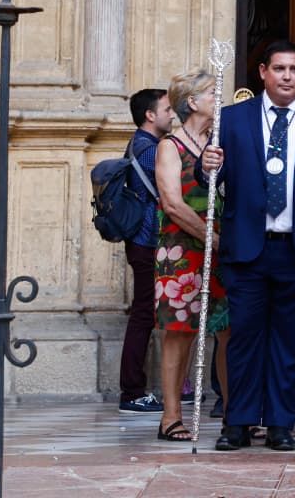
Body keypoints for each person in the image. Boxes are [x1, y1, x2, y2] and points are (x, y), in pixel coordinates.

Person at [205, 40, 295, 453]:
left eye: (294, 69)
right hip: (248, 246)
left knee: (289, 341)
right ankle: (237, 422)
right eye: (279, 69)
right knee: (245, 339)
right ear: (263, 73)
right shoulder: (232, 119)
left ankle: (279, 423)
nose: (287, 76)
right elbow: (212, 179)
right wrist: (208, 167)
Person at [151, 70, 230, 442]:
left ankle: (235, 412)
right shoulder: (171, 145)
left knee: (229, 330)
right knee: (179, 332)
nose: (220, 98)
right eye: (213, 93)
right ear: (192, 102)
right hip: (181, 250)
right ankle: (171, 416)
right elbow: (172, 202)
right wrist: (209, 236)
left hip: (221, 245)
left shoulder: (219, 142)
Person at [119, 88, 172, 415]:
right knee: (142, 315)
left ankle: (137, 388)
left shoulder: (139, 144)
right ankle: (132, 391)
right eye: (166, 109)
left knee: (145, 313)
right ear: (150, 115)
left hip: (143, 241)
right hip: (147, 241)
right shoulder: (149, 148)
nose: (172, 114)